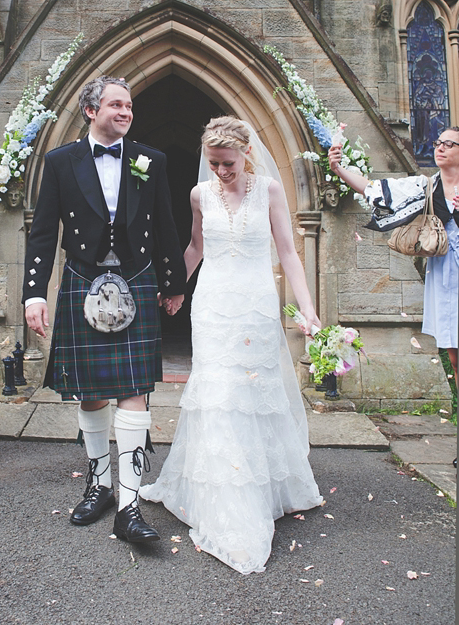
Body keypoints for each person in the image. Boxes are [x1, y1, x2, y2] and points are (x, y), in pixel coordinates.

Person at [140, 116, 323, 574]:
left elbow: (287, 252)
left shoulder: (270, 192)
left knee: (255, 396)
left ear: (245, 154)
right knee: (220, 397)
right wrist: (171, 285)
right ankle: (225, 497)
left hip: (257, 307)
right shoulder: (199, 195)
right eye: (214, 163)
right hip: (214, 307)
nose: (221, 172)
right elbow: (196, 246)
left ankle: (262, 486)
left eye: (228, 163)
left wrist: (308, 308)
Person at [24, 76, 186, 543]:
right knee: (90, 392)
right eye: (116, 104)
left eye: (130, 106)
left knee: (134, 389)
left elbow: (166, 223)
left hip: (137, 278)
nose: (126, 111)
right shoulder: (60, 162)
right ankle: (99, 487)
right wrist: (35, 293)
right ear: (91, 111)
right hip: (81, 278)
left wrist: (174, 282)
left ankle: (130, 504)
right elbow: (42, 232)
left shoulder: (149, 160)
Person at [328, 127, 459, 387]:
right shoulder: (426, 187)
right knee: (455, 357)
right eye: (437, 142)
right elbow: (376, 190)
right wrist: (339, 170)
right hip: (446, 276)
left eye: (449, 144)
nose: (440, 148)